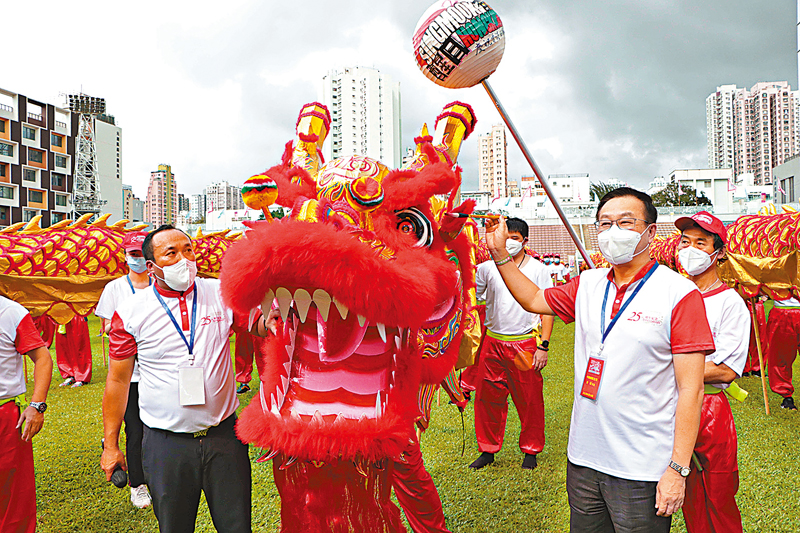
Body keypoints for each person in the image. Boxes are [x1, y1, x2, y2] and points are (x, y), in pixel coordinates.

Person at [485, 187, 712, 531]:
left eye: (626, 222)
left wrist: (678, 469)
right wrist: (500, 253)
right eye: (605, 223)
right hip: (584, 458)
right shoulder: (587, 284)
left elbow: (691, 390)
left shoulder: (679, 294)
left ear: (651, 231)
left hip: (642, 468)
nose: (613, 231)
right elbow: (533, 298)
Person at [101, 225, 279, 533]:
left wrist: (273, 318)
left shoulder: (220, 293)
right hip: (165, 444)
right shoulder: (130, 311)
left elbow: (256, 325)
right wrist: (111, 444)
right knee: (174, 527)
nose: (184, 259)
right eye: (171, 253)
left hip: (224, 438)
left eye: (188, 249)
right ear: (152, 266)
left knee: (237, 526)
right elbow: (117, 382)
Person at [675, 211, 748, 533]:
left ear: (718, 254)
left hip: (709, 410)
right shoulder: (673, 294)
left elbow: (725, 371)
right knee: (683, 493)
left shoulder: (730, 303)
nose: (689, 249)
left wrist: (661, 368)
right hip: (667, 404)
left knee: (716, 495)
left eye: (700, 243)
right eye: (685, 241)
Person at [469, 217, 554, 470]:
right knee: (487, 399)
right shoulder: (486, 268)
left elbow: (547, 310)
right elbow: (477, 299)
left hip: (525, 343)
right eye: (506, 237)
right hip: (493, 341)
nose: (510, 243)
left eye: (515, 239)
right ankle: (487, 449)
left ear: (525, 241)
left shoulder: (539, 269)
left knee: (529, 400)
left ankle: (531, 450)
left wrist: (543, 345)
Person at [95, 231, 153, 509]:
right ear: (125, 256)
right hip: (130, 374)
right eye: (133, 255)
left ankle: (158, 475)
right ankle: (138, 484)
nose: (138, 259)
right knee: (135, 429)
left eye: (142, 254)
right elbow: (106, 326)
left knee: (160, 429)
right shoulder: (115, 288)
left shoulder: (161, 284)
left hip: (158, 371)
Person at [0, 294, 52, 533]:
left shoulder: (10, 312)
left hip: (5, 416)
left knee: (13, 497)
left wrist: (37, 405)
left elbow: (42, 358)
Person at [765, 293, 800, 410]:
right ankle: (786, 396)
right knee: (781, 356)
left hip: (784, 310)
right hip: (783, 309)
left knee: (780, 356)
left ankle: (786, 395)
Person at [54, 314, 92, 387]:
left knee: (79, 344)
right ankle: (69, 373)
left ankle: (81, 375)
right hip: (62, 314)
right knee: (63, 346)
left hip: (77, 312)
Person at [742, 296, 766, 377]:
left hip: (756, 302)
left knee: (759, 337)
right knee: (742, 337)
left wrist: (765, 295)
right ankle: (743, 368)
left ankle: (758, 369)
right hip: (742, 301)